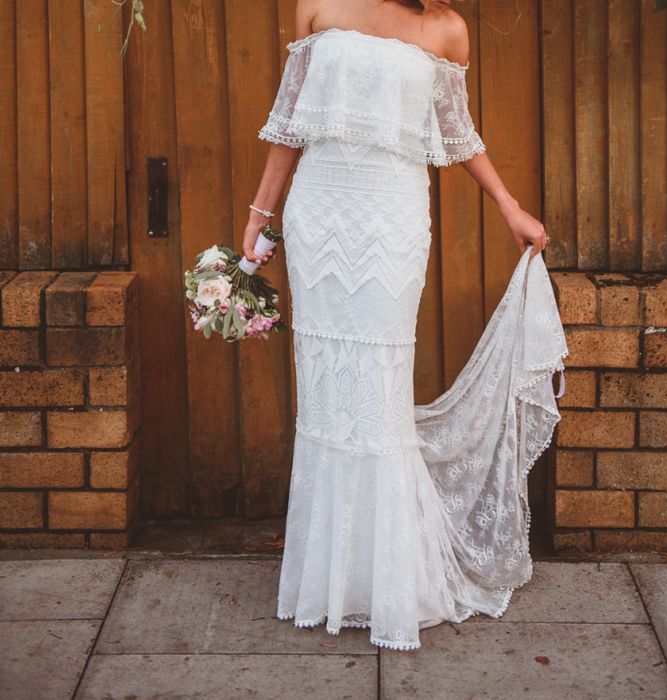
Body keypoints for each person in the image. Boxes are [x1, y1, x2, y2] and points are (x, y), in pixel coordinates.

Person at [242, 0, 567, 651]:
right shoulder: (319, 5)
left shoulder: (447, 28)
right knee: (329, 394)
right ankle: (330, 578)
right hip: (321, 213)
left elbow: (460, 133)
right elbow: (288, 122)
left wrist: (509, 207)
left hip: (392, 217)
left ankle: (392, 578)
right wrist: (260, 213)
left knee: (379, 394)